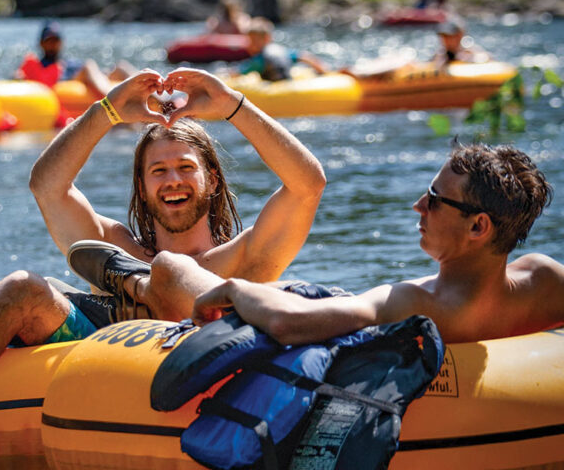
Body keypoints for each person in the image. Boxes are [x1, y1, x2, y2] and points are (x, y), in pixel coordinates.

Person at [0, 68, 326, 465]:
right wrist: (109, 110)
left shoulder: (246, 258)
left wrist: (233, 105)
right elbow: (48, 184)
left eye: (185, 168)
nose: (172, 181)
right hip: (76, 331)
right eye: (158, 171)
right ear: (142, 187)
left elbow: (308, 184)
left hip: (157, 352)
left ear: (210, 177)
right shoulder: (113, 241)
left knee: (93, 279)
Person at [65, 143, 563, 347]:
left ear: (478, 228)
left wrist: (236, 291)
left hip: (314, 318)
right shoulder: (544, 279)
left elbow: (285, 321)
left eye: (435, 199)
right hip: (343, 307)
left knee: (174, 269)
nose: (418, 206)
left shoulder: (415, 302)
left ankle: (132, 278)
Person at [16, 21, 135, 97]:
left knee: (121, 67)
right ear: (41, 43)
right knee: (88, 65)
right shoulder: (39, 65)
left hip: (92, 78)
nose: (53, 44)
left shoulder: (68, 62)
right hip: (70, 82)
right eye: (49, 41)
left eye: (56, 40)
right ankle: (113, 98)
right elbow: (20, 76)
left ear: (61, 42)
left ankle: (152, 97)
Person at [228, 17, 330, 81]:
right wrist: (324, 71)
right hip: (288, 82)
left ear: (267, 39)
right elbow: (305, 57)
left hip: (277, 89)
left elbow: (238, 73)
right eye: (250, 41)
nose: (250, 45)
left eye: (254, 41)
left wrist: (230, 75)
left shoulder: (259, 60)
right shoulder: (280, 50)